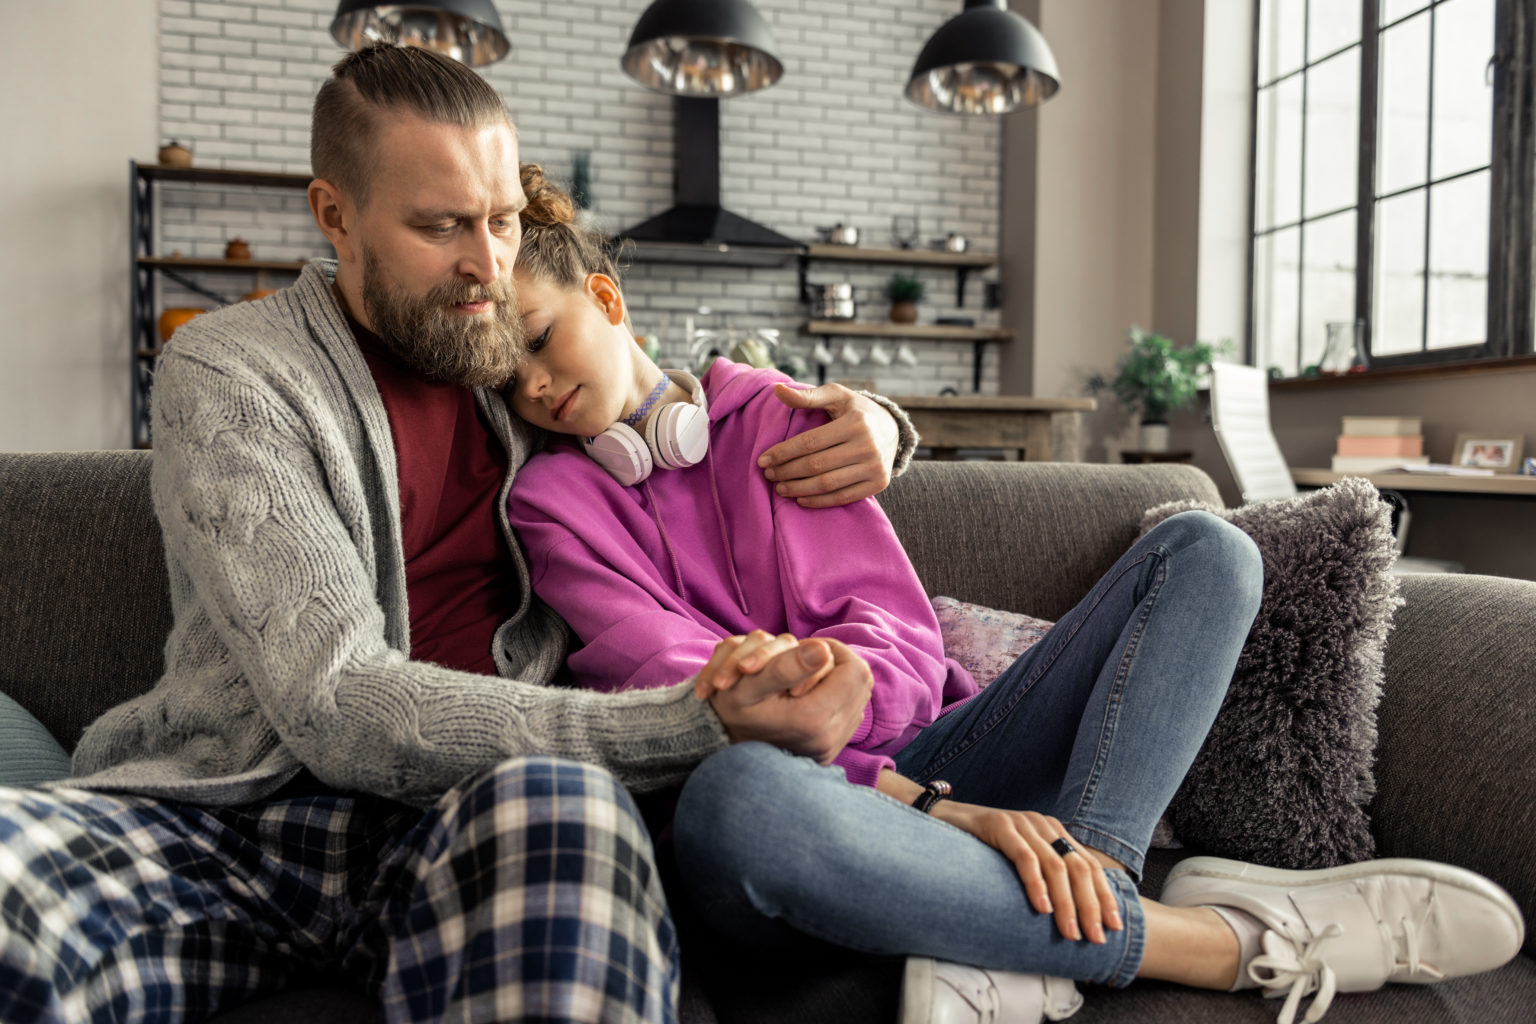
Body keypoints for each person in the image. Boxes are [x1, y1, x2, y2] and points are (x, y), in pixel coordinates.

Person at [0, 44, 917, 1024]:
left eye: (504, 220)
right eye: (441, 226)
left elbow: (679, 396)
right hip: (234, 817)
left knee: (574, 818)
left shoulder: (520, 364)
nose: (487, 262)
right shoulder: (233, 370)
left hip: (479, 813)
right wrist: (690, 724)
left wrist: (882, 424)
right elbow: (336, 701)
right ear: (335, 215)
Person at [502, 173, 1525, 1024]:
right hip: (822, 811)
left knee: (1208, 548)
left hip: (937, 750)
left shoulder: (782, 417)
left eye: (541, 340)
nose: (536, 388)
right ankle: (1213, 941)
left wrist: (868, 713)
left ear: (605, 297)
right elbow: (689, 707)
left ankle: (1067, 902)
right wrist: (941, 811)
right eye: (508, 381)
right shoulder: (549, 505)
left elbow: (893, 629)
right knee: (739, 800)